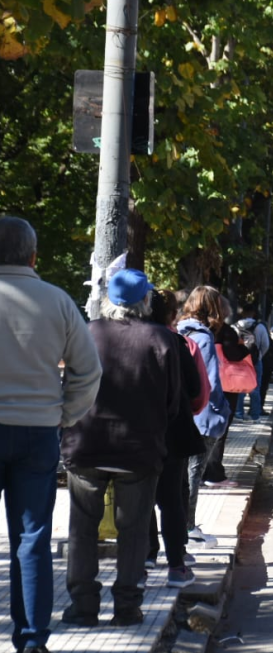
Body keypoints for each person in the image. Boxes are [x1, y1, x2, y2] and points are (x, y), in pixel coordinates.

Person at [0, 216, 102, 653]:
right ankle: (31, 641)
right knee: (32, 540)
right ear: (34, 256)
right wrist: (65, 414)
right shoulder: (58, 302)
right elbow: (88, 369)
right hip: (38, 431)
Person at [60, 268, 181, 628]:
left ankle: (83, 607)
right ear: (145, 300)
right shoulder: (161, 339)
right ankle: (127, 607)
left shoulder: (88, 332)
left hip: (86, 446)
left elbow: (69, 385)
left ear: (107, 300)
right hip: (139, 450)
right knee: (134, 530)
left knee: (82, 529)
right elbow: (173, 402)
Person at [145, 289, 207, 588]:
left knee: (139, 496)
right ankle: (176, 563)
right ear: (171, 314)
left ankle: (144, 557)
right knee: (171, 499)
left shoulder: (106, 335)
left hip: (132, 432)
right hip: (171, 431)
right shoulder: (176, 342)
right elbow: (196, 388)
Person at [177, 286, 232, 547]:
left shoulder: (177, 330)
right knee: (193, 474)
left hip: (177, 412)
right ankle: (188, 528)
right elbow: (209, 381)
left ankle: (178, 526)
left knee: (177, 474)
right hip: (201, 415)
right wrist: (221, 414)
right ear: (213, 308)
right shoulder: (204, 337)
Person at [201, 298, 244, 489]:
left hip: (200, 384)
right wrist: (246, 346)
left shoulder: (196, 330)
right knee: (220, 428)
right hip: (224, 385)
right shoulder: (225, 331)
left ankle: (199, 473)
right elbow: (234, 354)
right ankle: (214, 473)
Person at [234, 304, 270, 421]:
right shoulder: (260, 327)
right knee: (255, 388)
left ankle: (239, 414)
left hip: (239, 361)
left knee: (239, 388)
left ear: (242, 312)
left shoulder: (234, 327)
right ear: (254, 313)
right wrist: (258, 356)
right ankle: (255, 415)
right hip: (255, 361)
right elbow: (265, 345)